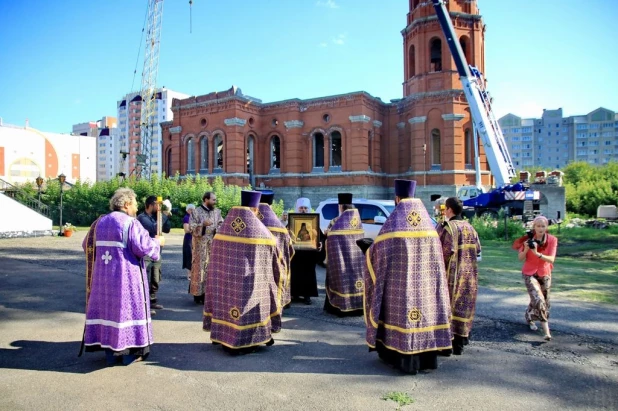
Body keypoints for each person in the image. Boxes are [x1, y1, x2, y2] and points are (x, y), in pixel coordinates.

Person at [363, 179, 452, 374]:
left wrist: (367, 250)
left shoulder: (393, 226)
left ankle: (399, 358)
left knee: (400, 317)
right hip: (426, 288)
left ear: (397, 198)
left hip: (400, 288)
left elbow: (377, 252)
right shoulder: (430, 227)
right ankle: (427, 359)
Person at [81, 188, 164, 366]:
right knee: (127, 312)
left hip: (103, 280)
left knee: (108, 312)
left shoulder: (99, 222)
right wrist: (158, 242)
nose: (136, 208)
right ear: (126, 204)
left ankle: (110, 353)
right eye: (134, 204)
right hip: (126, 279)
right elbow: (143, 247)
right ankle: (129, 353)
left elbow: (86, 245)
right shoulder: (130, 223)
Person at [203, 190, 284, 355]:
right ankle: (247, 341)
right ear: (255, 209)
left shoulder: (223, 230)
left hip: (225, 281)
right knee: (248, 308)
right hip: (249, 282)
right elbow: (275, 257)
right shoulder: (261, 233)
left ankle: (223, 336)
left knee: (227, 305)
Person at [436, 197, 482, 356]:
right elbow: (478, 250)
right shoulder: (470, 228)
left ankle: (446, 344)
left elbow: (441, 253)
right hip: (469, 277)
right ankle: (461, 342)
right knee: (464, 308)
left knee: (449, 307)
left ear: (449, 209)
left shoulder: (447, 228)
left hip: (452, 277)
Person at [514, 215, 557, 341]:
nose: (540, 228)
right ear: (534, 227)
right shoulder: (528, 239)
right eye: (538, 226)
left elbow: (551, 259)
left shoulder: (552, 240)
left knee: (545, 301)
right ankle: (546, 332)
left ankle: (529, 316)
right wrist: (527, 248)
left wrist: (537, 254)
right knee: (539, 299)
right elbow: (520, 258)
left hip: (545, 272)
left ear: (546, 227)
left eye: (543, 226)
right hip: (529, 272)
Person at [323, 193, 365, 316]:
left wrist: (327, 235)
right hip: (356, 260)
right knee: (355, 280)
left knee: (343, 280)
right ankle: (357, 306)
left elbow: (332, 238)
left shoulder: (337, 223)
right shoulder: (357, 222)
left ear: (341, 207)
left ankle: (341, 305)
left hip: (343, 259)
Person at [257, 191, 294, 308]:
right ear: (271, 205)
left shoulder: (251, 222)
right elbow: (290, 250)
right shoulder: (279, 226)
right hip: (274, 264)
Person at [137, 195, 171, 315]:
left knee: (155, 277)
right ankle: (143, 305)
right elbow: (153, 228)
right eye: (158, 205)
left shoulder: (157, 217)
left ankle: (152, 300)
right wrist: (164, 215)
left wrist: (164, 218)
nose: (159, 207)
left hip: (157, 252)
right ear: (151, 205)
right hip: (146, 252)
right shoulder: (142, 218)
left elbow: (166, 229)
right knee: (145, 277)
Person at [188, 192, 223, 304]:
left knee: (211, 269)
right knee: (199, 270)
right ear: (206, 199)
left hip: (213, 245)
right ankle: (198, 295)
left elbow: (221, 224)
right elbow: (191, 227)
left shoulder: (217, 212)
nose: (215, 202)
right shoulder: (196, 211)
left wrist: (217, 229)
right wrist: (202, 225)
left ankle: (208, 295)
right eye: (213, 199)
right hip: (200, 246)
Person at [289, 197, 323, 305]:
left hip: (308, 255)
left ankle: (307, 296)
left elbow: (320, 237)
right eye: (301, 208)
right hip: (296, 255)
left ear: (308, 209)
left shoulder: (313, 222)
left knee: (308, 275)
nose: (303, 210)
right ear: (297, 209)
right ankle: (294, 294)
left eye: (305, 208)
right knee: (294, 274)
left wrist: (320, 243)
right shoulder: (291, 222)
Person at [182, 204, 196, 280]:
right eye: (191, 209)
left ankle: (193, 273)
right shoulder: (186, 218)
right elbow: (186, 230)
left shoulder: (194, 218)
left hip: (194, 239)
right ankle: (189, 274)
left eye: (194, 209)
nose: (193, 211)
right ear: (188, 210)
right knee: (189, 256)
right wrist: (195, 229)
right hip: (188, 239)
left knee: (194, 256)